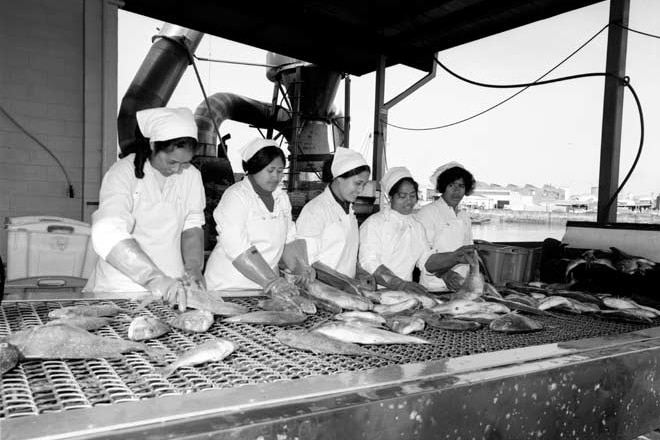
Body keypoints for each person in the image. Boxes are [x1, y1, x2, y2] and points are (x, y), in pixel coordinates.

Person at [85, 107, 205, 310]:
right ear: (153, 145)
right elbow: (107, 232)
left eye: (184, 163)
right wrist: (155, 280)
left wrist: (193, 268)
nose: (177, 170)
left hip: (173, 289)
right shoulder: (123, 172)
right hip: (121, 288)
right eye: (172, 161)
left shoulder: (191, 176)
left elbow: (192, 226)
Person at [204, 138, 314, 294]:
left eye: (280, 171)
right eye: (270, 170)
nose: (276, 176)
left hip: (266, 288)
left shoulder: (281, 198)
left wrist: (300, 267)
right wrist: (272, 281)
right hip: (228, 287)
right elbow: (236, 246)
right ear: (255, 168)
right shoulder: (236, 196)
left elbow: (289, 239)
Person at [296, 148, 374, 285]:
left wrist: (360, 272)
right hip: (321, 292)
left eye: (364, 184)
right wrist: (347, 282)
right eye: (357, 183)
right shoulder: (315, 211)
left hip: (346, 291)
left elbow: (345, 253)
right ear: (339, 178)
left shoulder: (348, 211)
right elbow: (308, 263)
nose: (361, 190)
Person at [358, 167, 434, 294]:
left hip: (406, 293)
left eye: (412, 195)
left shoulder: (417, 227)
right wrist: (399, 284)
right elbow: (369, 262)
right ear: (390, 197)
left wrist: (450, 265)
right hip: (375, 294)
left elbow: (425, 260)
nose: (409, 201)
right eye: (402, 196)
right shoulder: (374, 223)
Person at [415, 161, 476, 292]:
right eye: (451, 185)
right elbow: (420, 255)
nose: (456, 190)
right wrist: (444, 274)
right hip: (434, 287)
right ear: (443, 187)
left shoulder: (464, 217)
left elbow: (470, 252)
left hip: (462, 286)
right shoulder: (428, 213)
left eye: (461, 185)